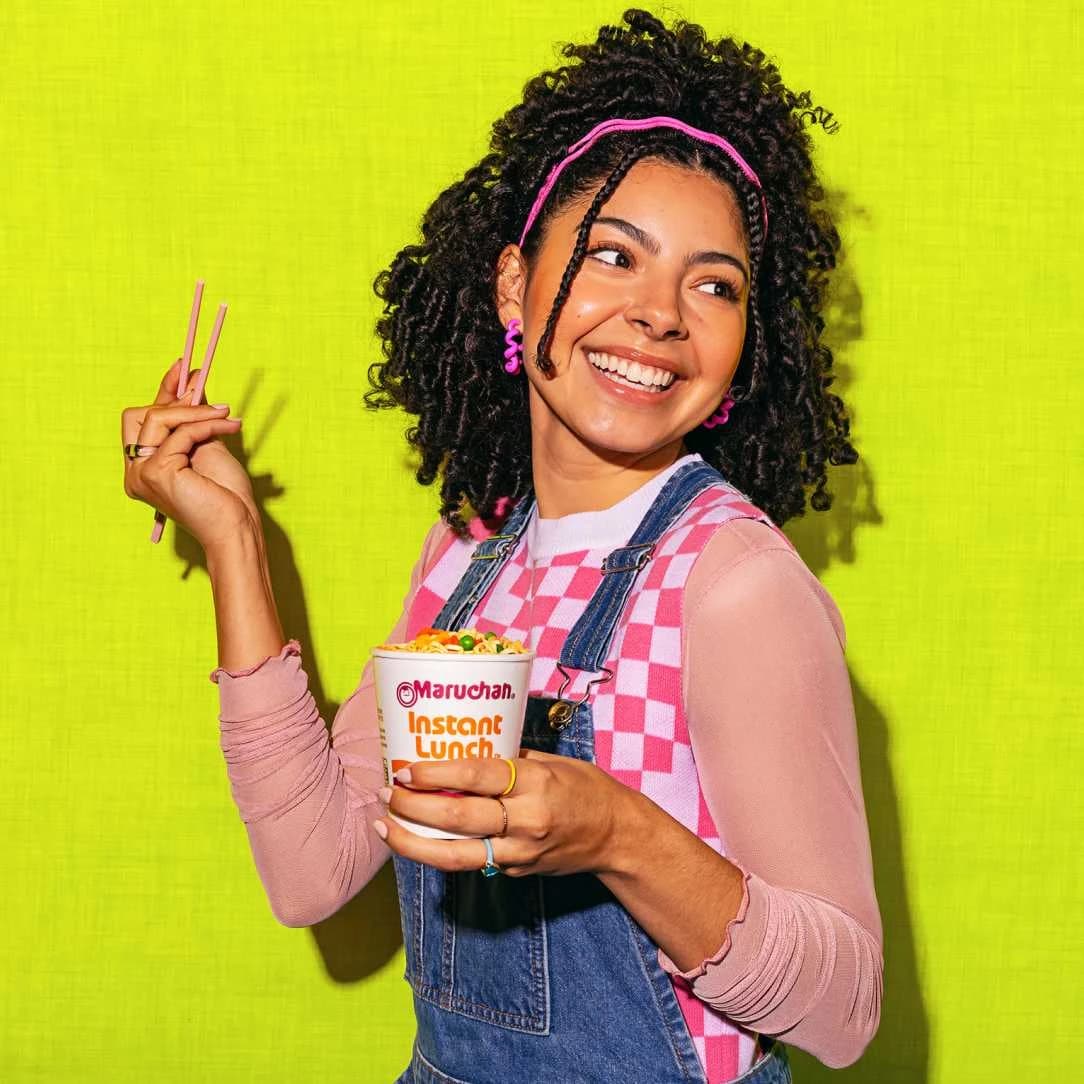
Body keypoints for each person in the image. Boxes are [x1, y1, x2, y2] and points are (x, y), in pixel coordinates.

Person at [121, 10, 882, 1082]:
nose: (661, 313)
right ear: (515, 286)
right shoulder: (467, 556)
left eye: (715, 284)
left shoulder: (731, 584)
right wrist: (237, 543)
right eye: (615, 256)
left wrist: (617, 832)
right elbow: (314, 869)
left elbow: (842, 1011)